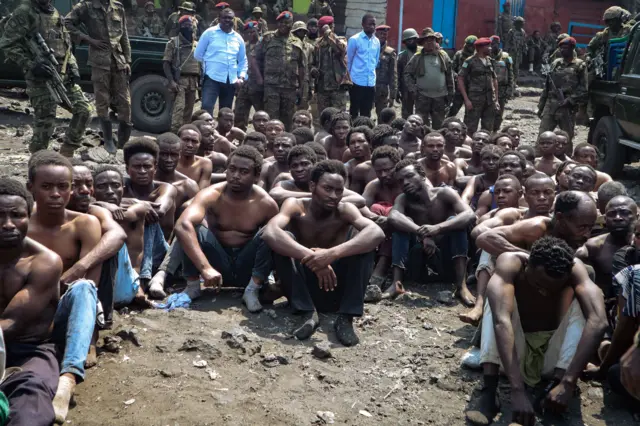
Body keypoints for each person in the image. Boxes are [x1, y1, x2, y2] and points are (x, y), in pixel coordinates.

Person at [465, 236, 607, 426]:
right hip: (511, 357)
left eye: (552, 289)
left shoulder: (575, 269)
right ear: (527, 265)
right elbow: (501, 322)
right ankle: (489, 391)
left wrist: (568, 382)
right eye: (539, 285)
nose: (544, 293)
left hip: (552, 362)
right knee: (497, 301)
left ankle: (552, 393)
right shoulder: (511, 262)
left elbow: (599, 321)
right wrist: (517, 390)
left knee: (589, 306)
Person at [264, 160, 385, 345]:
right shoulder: (296, 205)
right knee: (283, 238)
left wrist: (330, 254)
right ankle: (307, 313)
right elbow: (270, 232)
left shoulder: (345, 209)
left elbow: (376, 232)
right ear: (313, 186)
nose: (333, 196)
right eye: (327, 189)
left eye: (339, 190)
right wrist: (314, 259)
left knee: (364, 244)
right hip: (304, 286)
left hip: (337, 286)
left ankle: (346, 317)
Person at [26, 152, 104, 423]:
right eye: (46, 187)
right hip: (24, 314)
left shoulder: (84, 224)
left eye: (63, 187)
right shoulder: (18, 223)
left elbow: (90, 284)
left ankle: (68, 378)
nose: (56, 194)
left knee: (84, 288)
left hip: (63, 312)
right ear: (30, 188)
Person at [176, 146, 279, 312]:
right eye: (232, 169)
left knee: (272, 232)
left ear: (256, 176)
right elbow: (182, 225)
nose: (236, 176)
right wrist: (205, 268)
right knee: (188, 225)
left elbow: (278, 240)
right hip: (216, 264)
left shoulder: (265, 203)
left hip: (248, 267)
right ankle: (193, 285)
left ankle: (252, 289)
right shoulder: (211, 194)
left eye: (244, 171)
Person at [0, 177, 63, 426]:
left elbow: (11, 322)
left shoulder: (45, 262)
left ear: (29, 215)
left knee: (31, 396)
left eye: (16, 215)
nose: (7, 224)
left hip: (30, 349)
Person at [460, 173, 556, 325]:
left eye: (547, 192)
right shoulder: (514, 215)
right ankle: (479, 304)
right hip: (508, 269)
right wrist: (519, 252)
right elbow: (478, 232)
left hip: (543, 275)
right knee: (489, 248)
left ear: (555, 194)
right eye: (535, 193)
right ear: (525, 195)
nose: (542, 197)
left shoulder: (559, 221)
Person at [0, 0, 91, 156]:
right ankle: (38, 162)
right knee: (45, 123)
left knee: (84, 110)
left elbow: (66, 44)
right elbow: (7, 43)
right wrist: (31, 64)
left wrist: (73, 67)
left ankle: (66, 153)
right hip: (40, 78)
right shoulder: (25, 11)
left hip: (63, 74)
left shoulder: (53, 11)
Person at [389, 159, 475, 305]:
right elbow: (393, 217)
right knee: (401, 223)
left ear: (422, 175)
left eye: (409, 176)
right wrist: (422, 233)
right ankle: (396, 283)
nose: (405, 183)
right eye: (400, 181)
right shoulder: (403, 199)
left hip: (447, 261)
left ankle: (461, 286)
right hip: (419, 262)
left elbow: (470, 215)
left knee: (456, 221)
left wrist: (438, 228)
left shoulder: (444, 193)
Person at [67, 160, 127, 329]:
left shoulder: (95, 211)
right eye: (75, 185)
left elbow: (118, 234)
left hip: (84, 279)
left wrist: (80, 267)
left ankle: (99, 318)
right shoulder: (37, 215)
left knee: (107, 249)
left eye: (88, 184)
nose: (85, 190)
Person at [65, 0, 132, 151]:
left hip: (118, 60)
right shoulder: (87, 7)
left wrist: (128, 60)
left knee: (125, 102)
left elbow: (124, 35)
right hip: (99, 61)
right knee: (102, 101)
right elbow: (67, 23)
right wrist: (88, 40)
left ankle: (122, 143)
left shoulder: (118, 7)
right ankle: (108, 141)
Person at [477, 190, 598, 256]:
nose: (587, 234)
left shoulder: (582, 236)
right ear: (560, 218)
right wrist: (529, 256)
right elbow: (484, 238)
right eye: (582, 227)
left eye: (590, 227)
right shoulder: (537, 228)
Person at [359, 146, 403, 292]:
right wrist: (373, 217)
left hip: (407, 228)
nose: (383, 174)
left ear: (397, 165)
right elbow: (360, 205)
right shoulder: (374, 185)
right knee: (376, 208)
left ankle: (382, 266)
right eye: (379, 171)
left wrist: (392, 218)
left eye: (388, 169)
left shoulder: (407, 181)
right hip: (382, 227)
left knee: (392, 214)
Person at [577, 195, 636, 300]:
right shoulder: (592, 248)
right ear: (605, 219)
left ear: (637, 216)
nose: (618, 218)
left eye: (625, 212)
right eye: (612, 214)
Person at [256, 12, 306, 131]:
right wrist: (259, 78)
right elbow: (255, 58)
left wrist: (301, 87)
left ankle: (285, 143)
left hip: (290, 87)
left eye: (287, 23)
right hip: (271, 86)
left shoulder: (298, 42)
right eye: (281, 22)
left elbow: (302, 66)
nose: (283, 25)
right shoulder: (267, 38)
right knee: (271, 118)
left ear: (291, 24)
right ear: (277, 23)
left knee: (288, 120)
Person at [270, 145, 364, 206]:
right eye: (295, 166)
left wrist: (329, 200)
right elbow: (274, 194)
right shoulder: (286, 184)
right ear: (290, 169)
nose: (299, 169)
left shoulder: (325, 183)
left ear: (314, 164)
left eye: (304, 164)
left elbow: (359, 200)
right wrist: (315, 196)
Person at [195, 7, 247, 113]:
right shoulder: (209, 33)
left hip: (230, 80)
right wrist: (210, 64)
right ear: (219, 19)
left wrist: (241, 77)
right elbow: (198, 55)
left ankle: (222, 130)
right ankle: (205, 130)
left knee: (225, 112)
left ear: (234, 20)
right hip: (211, 78)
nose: (228, 20)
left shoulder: (238, 38)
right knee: (206, 108)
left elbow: (243, 60)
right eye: (225, 18)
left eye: (230, 18)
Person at [538, 37, 587, 142]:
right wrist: (541, 106)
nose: (562, 50)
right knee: (543, 137)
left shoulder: (580, 65)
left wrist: (570, 100)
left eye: (565, 47)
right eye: (561, 48)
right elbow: (547, 86)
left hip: (567, 107)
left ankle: (567, 157)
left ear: (572, 48)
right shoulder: (556, 63)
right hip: (551, 104)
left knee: (566, 139)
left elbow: (583, 89)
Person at [404, 28, 454, 130]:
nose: (430, 42)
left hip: (440, 97)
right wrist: (413, 90)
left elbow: (449, 75)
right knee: (422, 125)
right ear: (422, 43)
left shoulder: (443, 56)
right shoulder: (417, 57)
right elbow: (407, 74)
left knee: (439, 125)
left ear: (436, 42)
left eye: (432, 40)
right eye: (427, 40)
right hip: (422, 97)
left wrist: (451, 93)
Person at [163, 16, 200, 134]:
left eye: (190, 25)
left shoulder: (197, 44)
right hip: (180, 81)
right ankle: (174, 133)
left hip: (194, 81)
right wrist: (171, 81)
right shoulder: (173, 42)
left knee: (189, 111)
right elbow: (166, 63)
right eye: (185, 25)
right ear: (180, 26)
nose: (188, 27)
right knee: (178, 110)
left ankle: (184, 134)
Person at [458, 38, 499, 134]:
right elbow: (460, 78)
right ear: (480, 48)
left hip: (489, 100)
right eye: (487, 46)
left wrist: (496, 100)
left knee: (488, 128)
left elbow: (494, 79)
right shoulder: (470, 61)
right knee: (470, 128)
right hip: (475, 100)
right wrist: (466, 100)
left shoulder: (489, 61)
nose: (490, 48)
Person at [312, 16, 349, 119]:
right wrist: (313, 69)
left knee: (339, 117)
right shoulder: (318, 43)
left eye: (324, 28)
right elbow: (313, 62)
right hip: (322, 87)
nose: (322, 31)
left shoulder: (341, 40)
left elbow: (341, 49)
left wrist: (329, 33)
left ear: (332, 27)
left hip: (337, 87)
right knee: (323, 117)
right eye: (321, 28)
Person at [154, 133, 199, 214]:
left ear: (180, 155)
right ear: (156, 154)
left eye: (174, 155)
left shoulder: (188, 186)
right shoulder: (144, 179)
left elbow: (197, 215)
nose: (169, 160)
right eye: (164, 154)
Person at [347, 13, 380, 118]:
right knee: (354, 111)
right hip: (357, 81)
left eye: (374, 24)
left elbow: (376, 60)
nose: (372, 27)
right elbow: (349, 60)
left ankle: (364, 132)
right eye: (369, 24)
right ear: (362, 24)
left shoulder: (377, 41)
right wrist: (348, 80)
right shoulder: (354, 39)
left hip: (370, 82)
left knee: (367, 112)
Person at [587, 6, 632, 81]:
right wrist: (589, 57)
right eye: (607, 21)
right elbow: (590, 48)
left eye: (612, 20)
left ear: (619, 20)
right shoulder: (602, 35)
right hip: (605, 68)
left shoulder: (629, 31)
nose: (610, 23)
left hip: (623, 67)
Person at [461, 144, 503, 210]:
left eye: (495, 159)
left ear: (501, 161)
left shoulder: (505, 180)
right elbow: (466, 197)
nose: (491, 162)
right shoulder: (477, 179)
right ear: (481, 161)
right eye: (487, 159)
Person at [175, 124, 212, 189]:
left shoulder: (205, 164)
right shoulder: (169, 161)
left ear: (199, 144)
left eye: (194, 141)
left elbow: (201, 194)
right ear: (177, 140)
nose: (190, 145)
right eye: (186, 140)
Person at [448, 35, 477, 118]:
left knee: (470, 111)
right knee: (454, 108)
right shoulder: (459, 54)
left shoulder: (478, 56)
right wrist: (456, 77)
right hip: (460, 87)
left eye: (473, 45)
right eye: (469, 45)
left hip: (473, 88)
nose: (471, 47)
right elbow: (452, 69)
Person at [490, 35, 514, 132]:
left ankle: (495, 131)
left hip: (502, 89)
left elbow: (511, 74)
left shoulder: (506, 57)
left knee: (499, 112)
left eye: (496, 43)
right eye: (492, 43)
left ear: (499, 44)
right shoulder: (486, 55)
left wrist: (510, 89)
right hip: (488, 88)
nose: (494, 45)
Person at [374, 24, 397, 118]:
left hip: (382, 89)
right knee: (365, 112)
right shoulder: (370, 49)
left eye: (385, 34)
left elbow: (393, 75)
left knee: (382, 115)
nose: (383, 36)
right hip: (368, 86)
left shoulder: (390, 53)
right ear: (376, 34)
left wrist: (392, 95)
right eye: (380, 34)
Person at [397, 28, 419, 119]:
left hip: (421, 87)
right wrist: (397, 90)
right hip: (406, 89)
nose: (412, 42)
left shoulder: (423, 53)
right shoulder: (402, 56)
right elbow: (398, 73)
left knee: (421, 113)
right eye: (409, 40)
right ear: (405, 42)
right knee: (406, 113)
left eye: (413, 39)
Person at [504, 16, 527, 86]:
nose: (523, 25)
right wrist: (506, 52)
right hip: (512, 52)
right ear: (517, 23)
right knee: (510, 66)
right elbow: (507, 42)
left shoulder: (523, 32)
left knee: (516, 67)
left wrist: (525, 48)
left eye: (523, 23)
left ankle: (514, 82)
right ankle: (509, 81)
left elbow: (524, 41)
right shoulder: (511, 31)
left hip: (519, 52)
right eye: (521, 23)